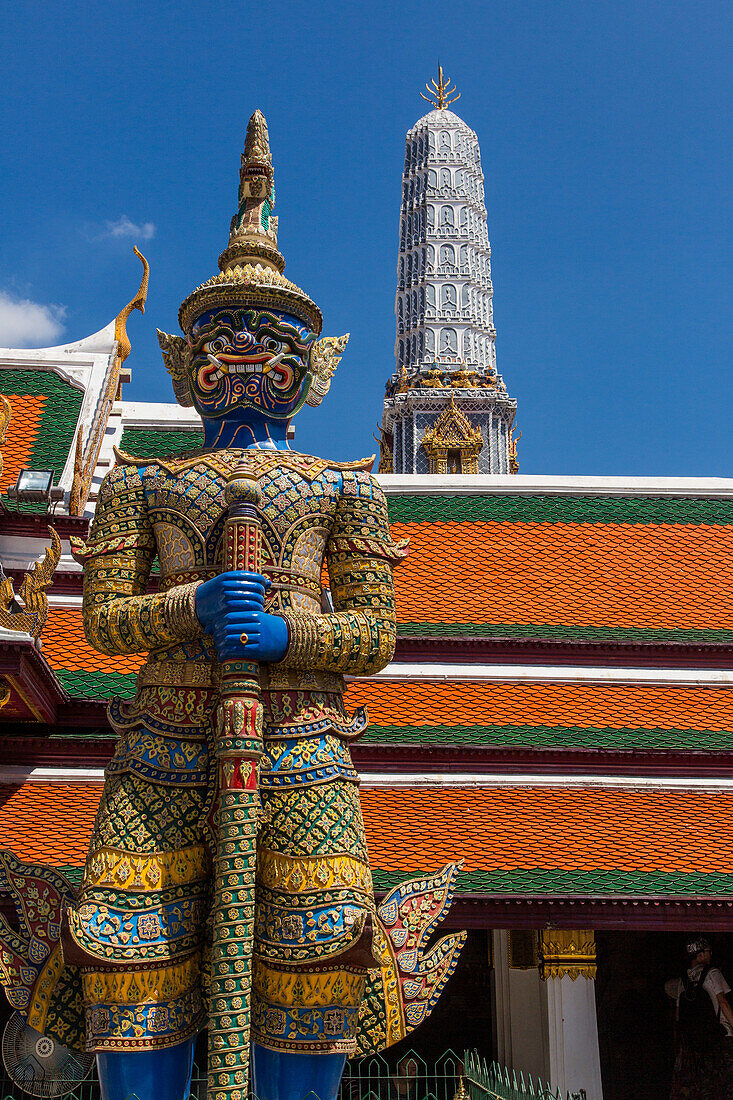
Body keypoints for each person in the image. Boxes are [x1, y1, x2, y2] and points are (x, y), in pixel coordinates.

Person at [665, 936, 733, 1098]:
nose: (710, 955)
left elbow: (678, 1016)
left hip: (694, 1043)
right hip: (720, 1036)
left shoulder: (683, 981)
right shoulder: (713, 973)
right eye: (708, 952)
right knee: (726, 1084)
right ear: (700, 955)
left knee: (703, 1086)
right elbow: (722, 1002)